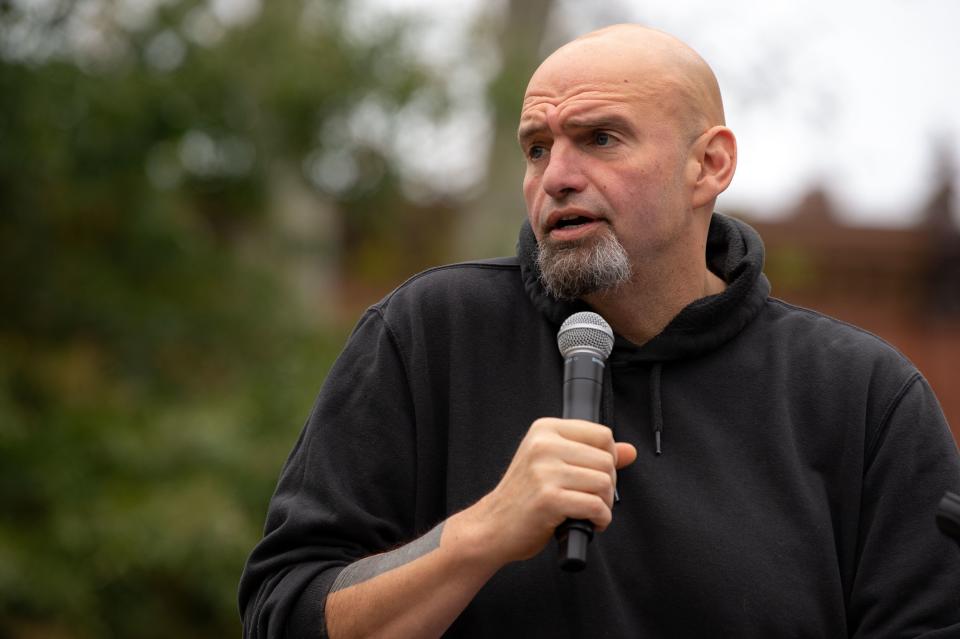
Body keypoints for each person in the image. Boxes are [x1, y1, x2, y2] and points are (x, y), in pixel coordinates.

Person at [239, 24, 960, 637]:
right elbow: (283, 611)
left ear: (709, 165)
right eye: (535, 147)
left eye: (600, 138)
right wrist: (479, 535)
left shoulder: (862, 394)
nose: (556, 175)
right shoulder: (429, 335)